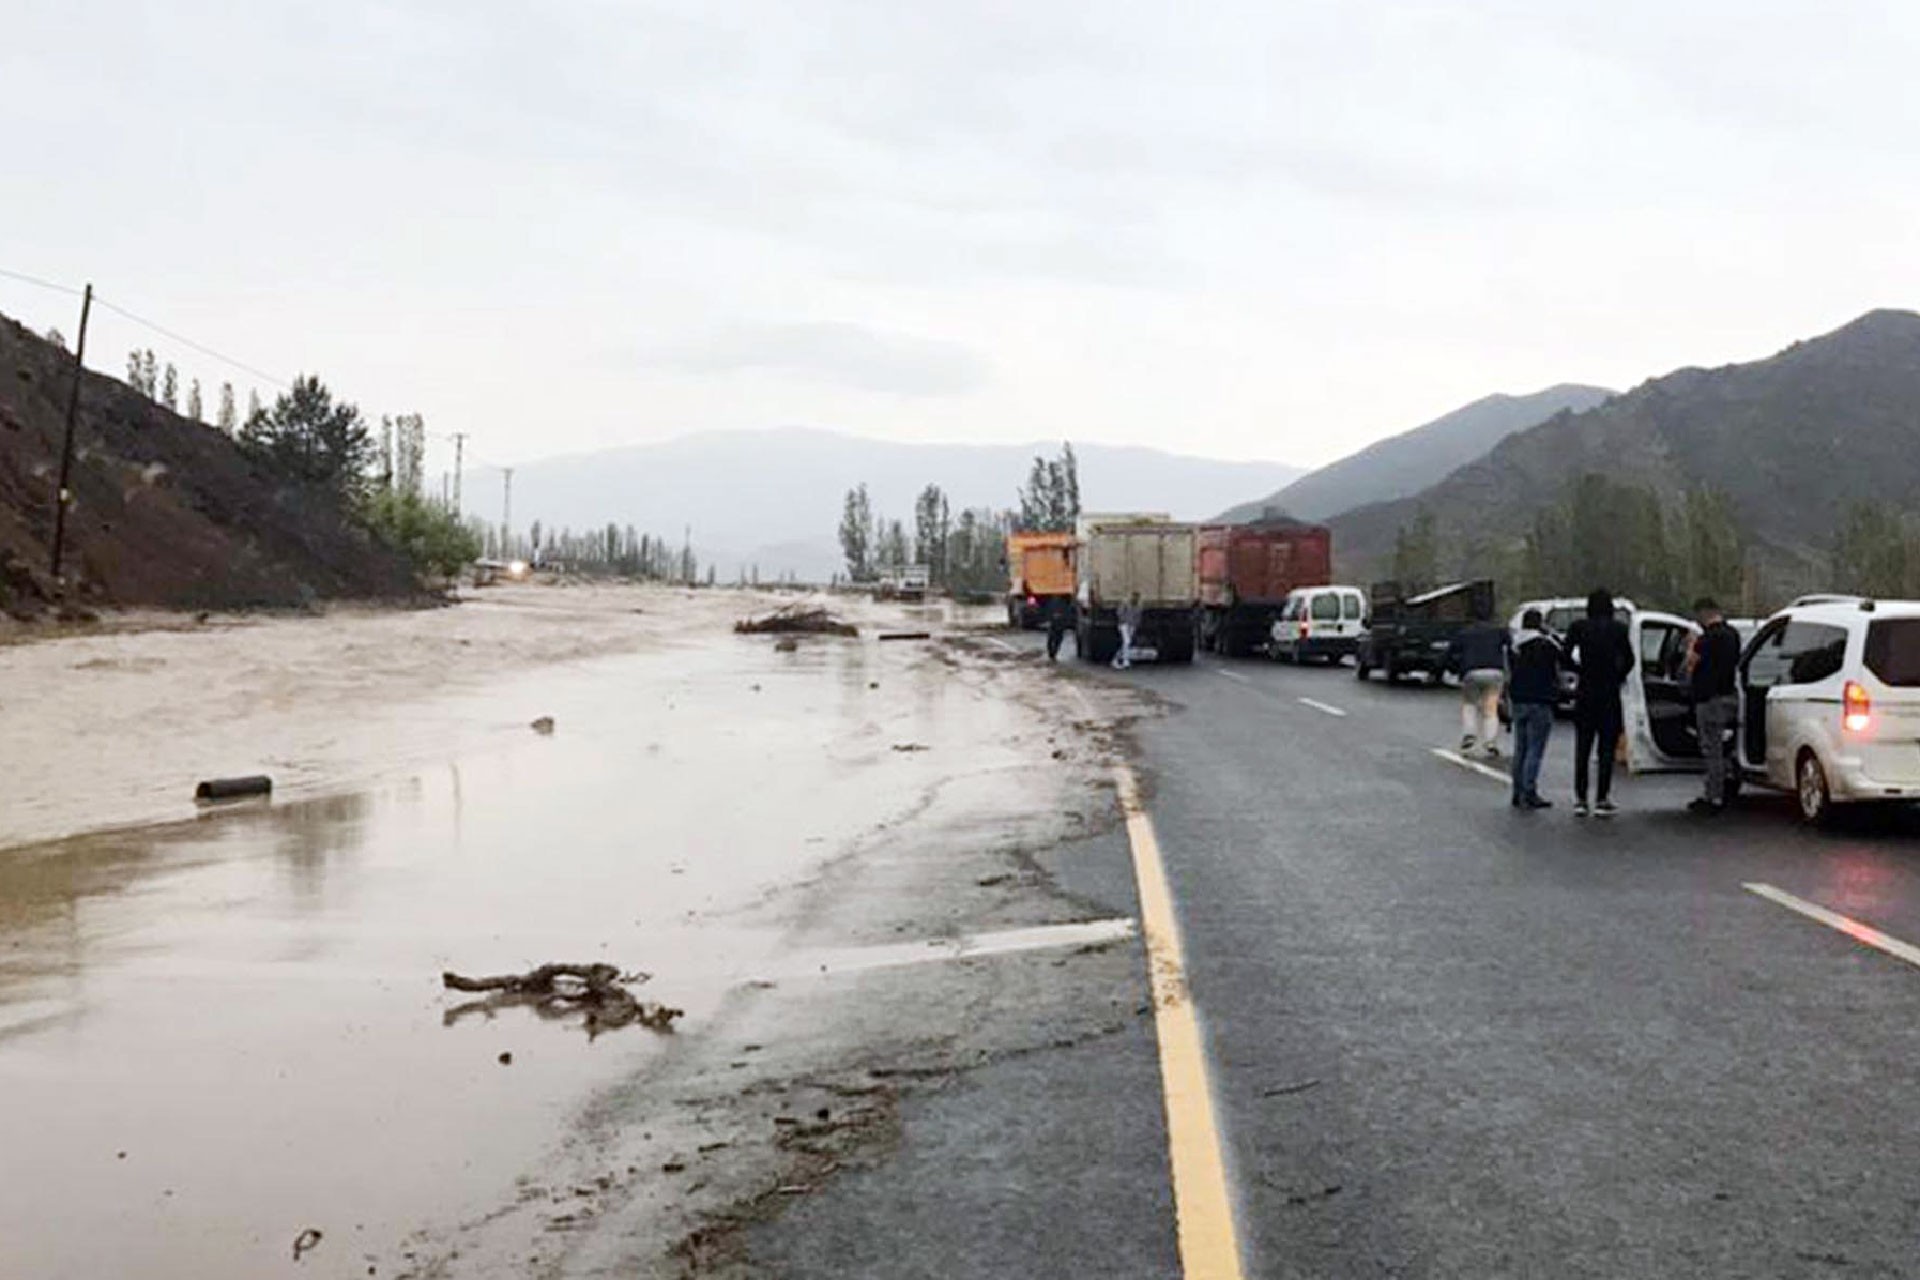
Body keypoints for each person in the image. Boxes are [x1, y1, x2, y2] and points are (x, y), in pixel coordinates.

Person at [1564, 588, 1634, 817]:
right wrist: (1618, 675)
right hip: (1609, 692)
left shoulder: (1578, 627)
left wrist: (1580, 669)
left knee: (1582, 747)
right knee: (1606, 749)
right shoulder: (1619, 629)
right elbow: (1630, 659)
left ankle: (1581, 799)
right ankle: (1602, 798)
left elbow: (1565, 656)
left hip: (1586, 691)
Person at [1689, 596, 1742, 815]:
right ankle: (1726, 788)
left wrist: (1691, 644)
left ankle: (1714, 797)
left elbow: (1690, 664)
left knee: (1712, 750)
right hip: (1728, 695)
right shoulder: (1733, 635)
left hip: (1709, 700)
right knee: (1724, 749)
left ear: (1704, 613)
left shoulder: (1706, 639)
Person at [1508, 608, 1561, 810]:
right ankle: (1529, 791)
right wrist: (1550, 634)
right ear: (1540, 623)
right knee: (1535, 749)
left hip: (1519, 699)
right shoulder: (1545, 644)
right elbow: (1564, 657)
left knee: (1520, 748)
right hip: (1540, 699)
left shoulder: (1514, 645)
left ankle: (1517, 791)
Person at [1452, 618, 1509, 759]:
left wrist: (1451, 668)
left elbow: (1452, 653)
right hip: (1495, 671)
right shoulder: (1499, 632)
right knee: (1491, 708)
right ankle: (1490, 742)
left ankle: (1469, 734)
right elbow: (1510, 648)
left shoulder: (1465, 633)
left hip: (1471, 672)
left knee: (1469, 704)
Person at [1114, 593, 1144, 670]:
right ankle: (1125, 661)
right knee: (1127, 641)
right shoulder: (1125, 603)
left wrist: (1135, 625)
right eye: (1134, 597)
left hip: (1132, 626)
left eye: (1137, 597)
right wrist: (1123, 621)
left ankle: (1116, 659)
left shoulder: (1139, 606)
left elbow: (1138, 617)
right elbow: (1119, 613)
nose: (1135, 599)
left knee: (1126, 643)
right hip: (1124, 625)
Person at [1044, 596, 1072, 661]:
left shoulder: (1063, 602)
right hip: (1056, 623)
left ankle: (1053, 652)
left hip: (1058, 623)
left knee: (1056, 638)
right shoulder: (1054, 602)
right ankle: (1052, 652)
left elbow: (1067, 613)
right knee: (1054, 638)